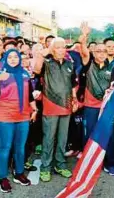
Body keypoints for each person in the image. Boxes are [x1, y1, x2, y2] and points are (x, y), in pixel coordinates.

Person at [0, 49, 38, 193]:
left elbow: (29, 96)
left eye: (16, 56)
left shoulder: (24, 74)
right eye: (9, 57)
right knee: (5, 147)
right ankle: (3, 178)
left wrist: (35, 110)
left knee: (20, 147)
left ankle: (19, 173)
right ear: (5, 58)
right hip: (4, 116)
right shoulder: (0, 73)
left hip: (22, 115)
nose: (13, 59)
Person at [77, 23, 114, 175]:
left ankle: (110, 163)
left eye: (104, 51)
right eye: (98, 51)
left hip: (107, 107)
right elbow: (83, 49)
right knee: (90, 135)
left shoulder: (113, 67)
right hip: (90, 107)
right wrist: (85, 36)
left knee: (109, 135)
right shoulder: (88, 64)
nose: (101, 53)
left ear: (108, 52)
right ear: (93, 52)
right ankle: (89, 163)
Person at [34, 37, 78, 182]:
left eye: (63, 47)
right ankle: (46, 167)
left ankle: (60, 164)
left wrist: (74, 99)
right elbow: (36, 69)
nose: (60, 50)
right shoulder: (46, 63)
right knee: (49, 138)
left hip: (66, 106)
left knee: (62, 138)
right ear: (52, 49)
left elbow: (72, 85)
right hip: (50, 106)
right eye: (57, 47)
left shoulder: (69, 64)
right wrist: (42, 53)